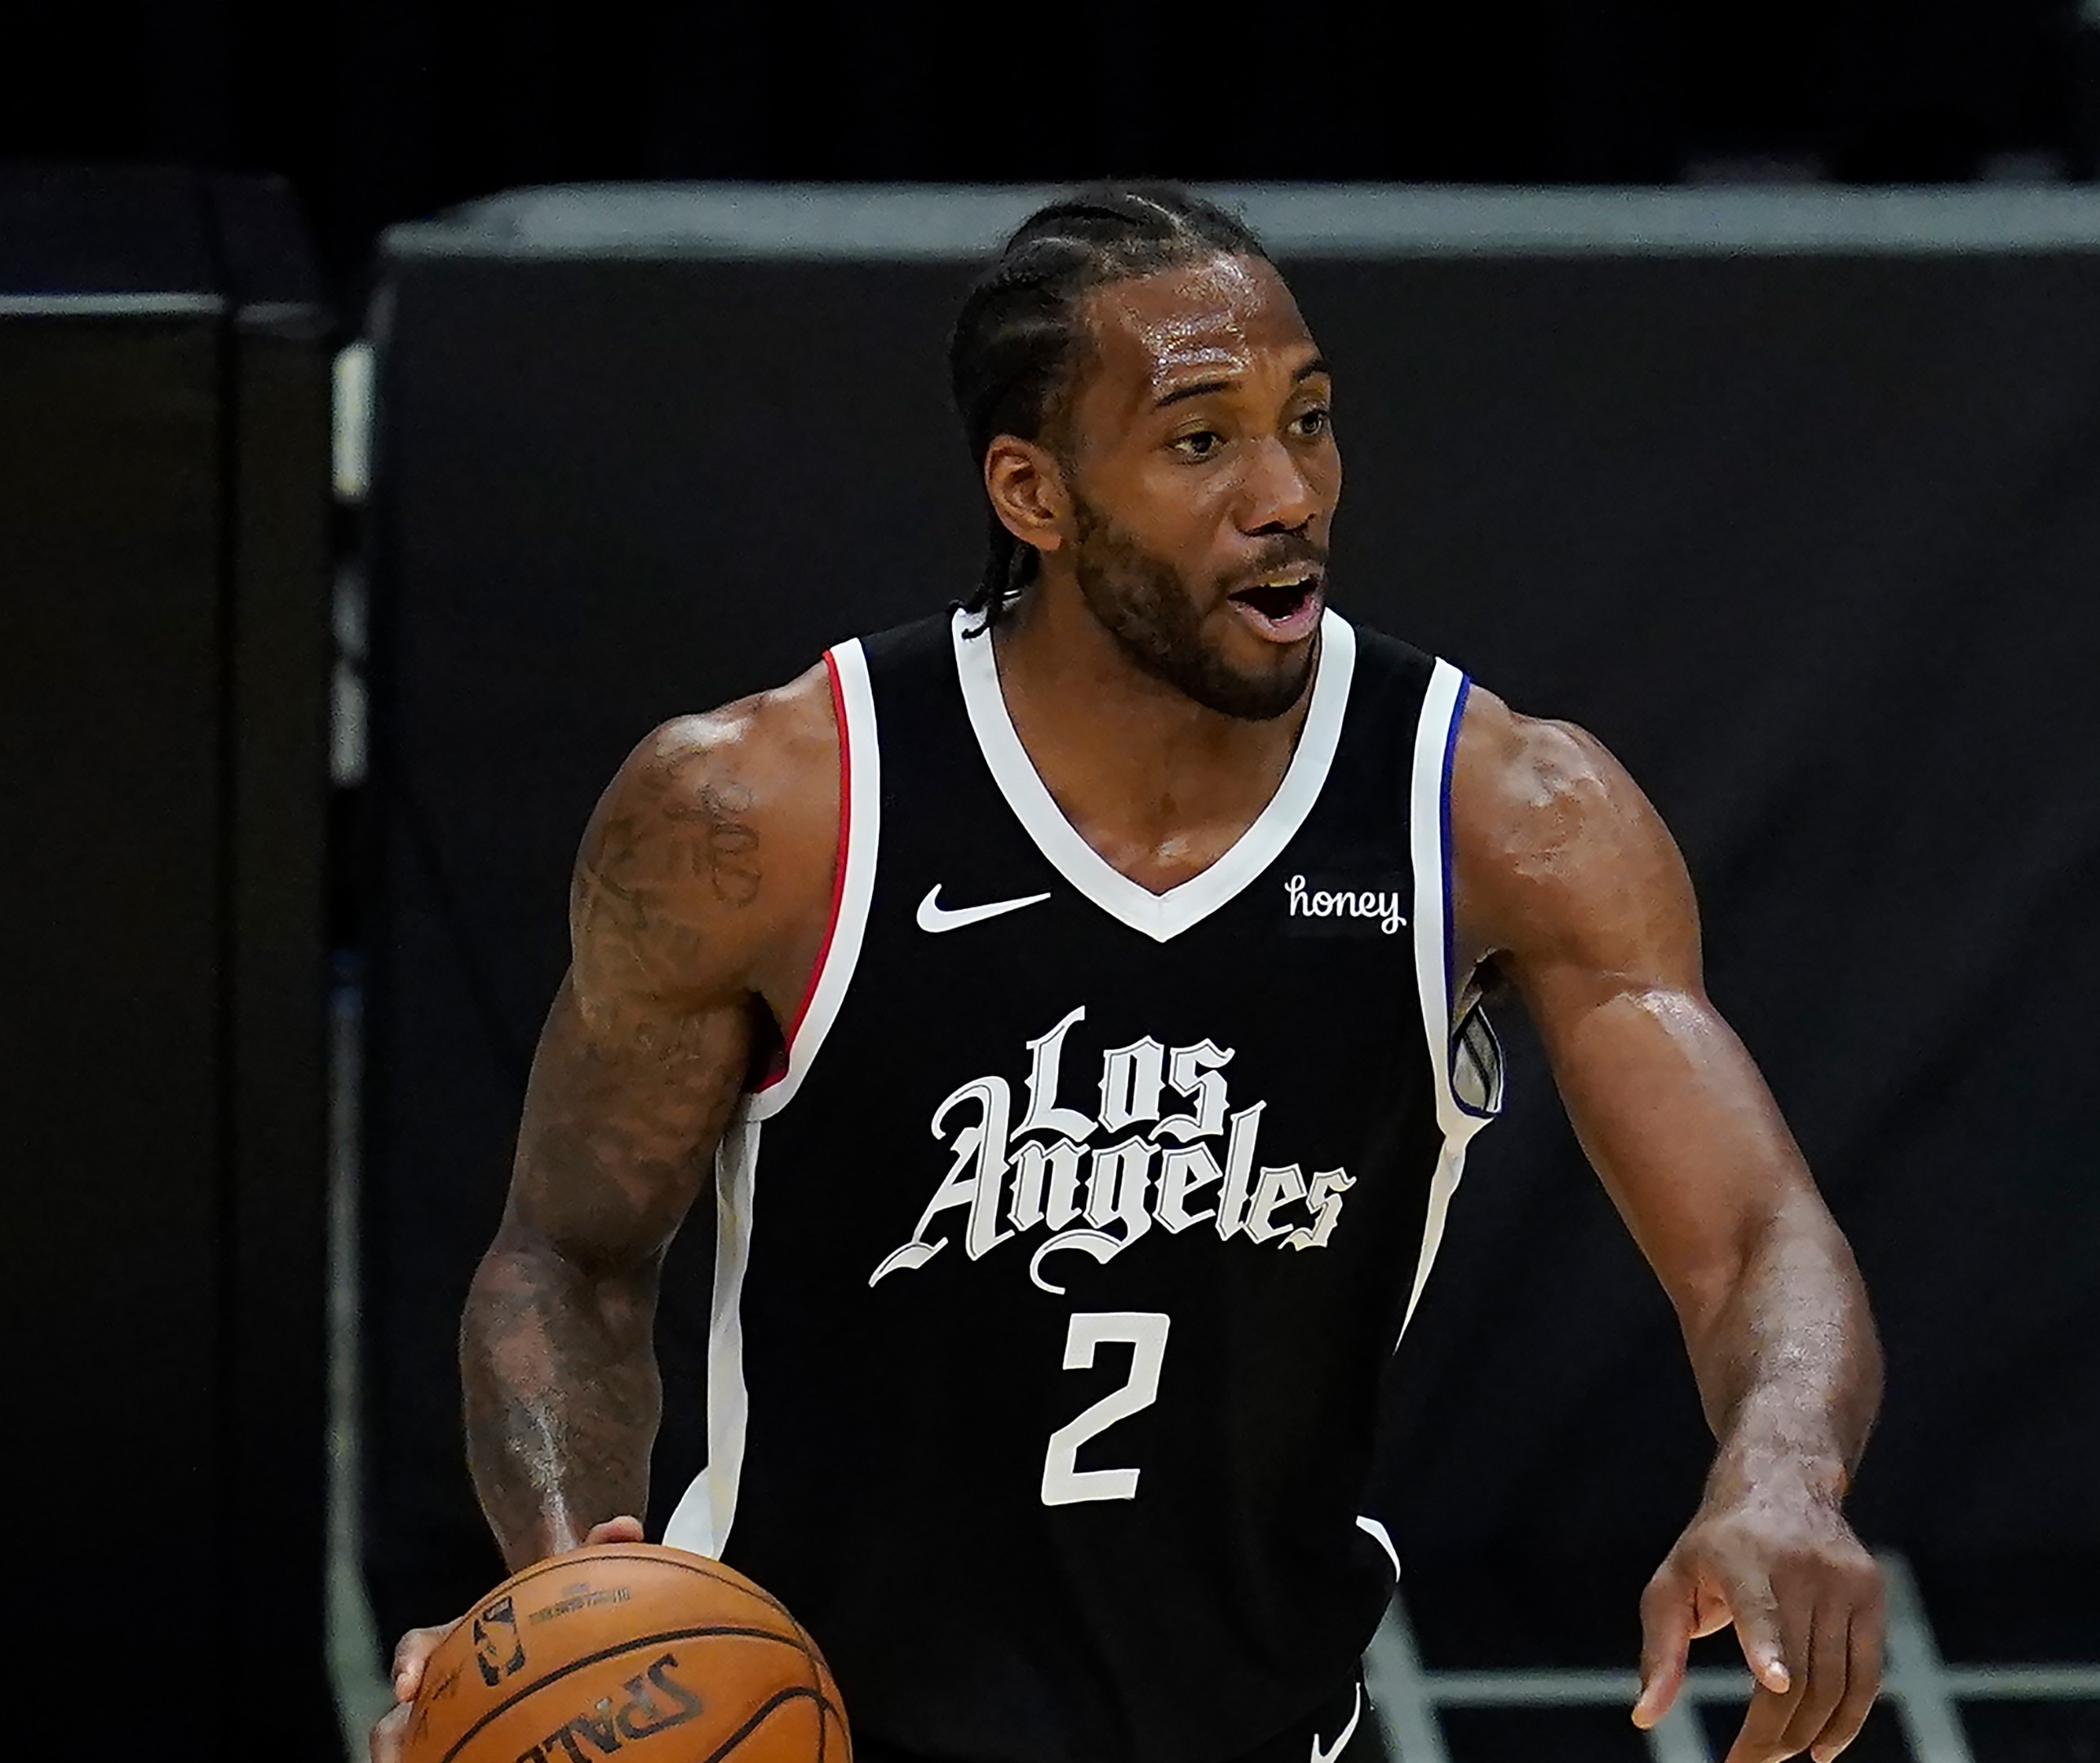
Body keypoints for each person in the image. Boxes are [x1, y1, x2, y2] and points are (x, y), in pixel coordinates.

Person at [373, 181, 1885, 1763]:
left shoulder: (1503, 812)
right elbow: (571, 1256)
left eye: (1309, 420)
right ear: (1032, 491)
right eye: (1199, 439)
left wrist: (1782, 1463)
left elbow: (1755, 1235)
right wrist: (568, 1600)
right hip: (816, 1727)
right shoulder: (762, 812)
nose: (1286, 491)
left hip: (1259, 1729)